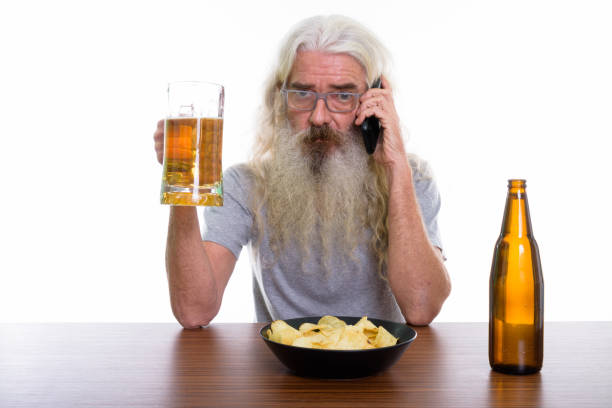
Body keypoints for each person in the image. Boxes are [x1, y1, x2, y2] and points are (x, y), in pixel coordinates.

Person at [153, 15, 451, 328]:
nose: (319, 117)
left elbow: (421, 307)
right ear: (279, 99)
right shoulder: (246, 185)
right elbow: (193, 311)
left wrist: (396, 165)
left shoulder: (410, 177)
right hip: (284, 368)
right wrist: (181, 181)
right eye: (303, 94)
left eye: (343, 96)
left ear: (373, 102)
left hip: (381, 367)